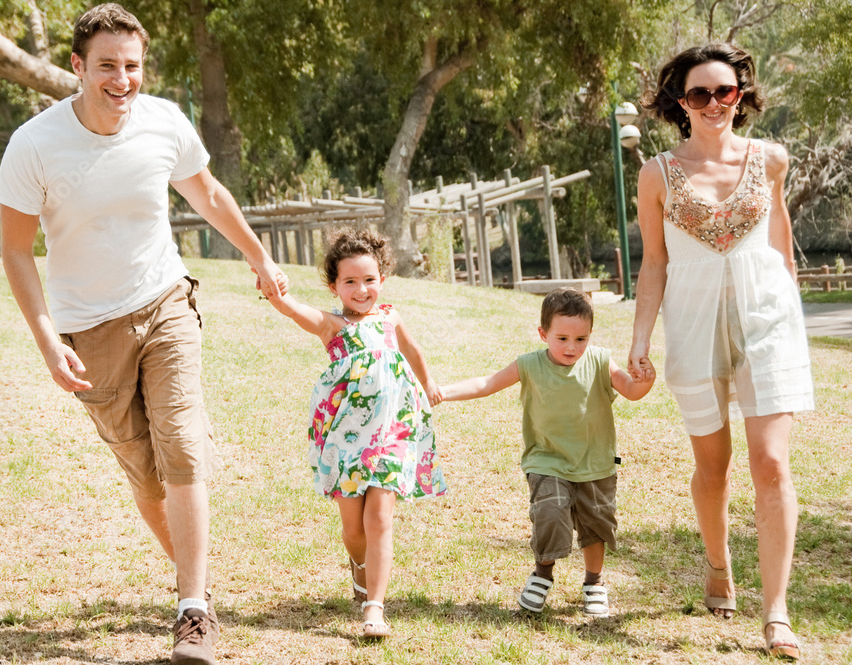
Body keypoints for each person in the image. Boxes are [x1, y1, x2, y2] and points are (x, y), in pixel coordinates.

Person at [0, 4, 287, 663]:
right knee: (147, 476)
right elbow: (16, 251)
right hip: (88, 330)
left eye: (132, 66)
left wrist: (259, 257)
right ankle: (202, 587)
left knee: (181, 443)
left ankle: (191, 611)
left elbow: (207, 192)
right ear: (77, 67)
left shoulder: (162, 123)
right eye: (107, 67)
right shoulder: (35, 145)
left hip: (164, 301)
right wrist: (47, 341)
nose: (122, 80)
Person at [628, 42, 813, 660]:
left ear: (741, 96)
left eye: (725, 91)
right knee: (715, 466)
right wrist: (639, 340)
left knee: (771, 464)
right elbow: (653, 263)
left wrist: (794, 319)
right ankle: (717, 565)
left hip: (767, 323)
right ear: (681, 102)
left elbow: (780, 245)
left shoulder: (772, 160)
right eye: (699, 93)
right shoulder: (657, 173)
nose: (714, 102)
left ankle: (777, 612)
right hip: (692, 326)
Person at [263, 227, 447, 639]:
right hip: (346, 437)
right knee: (354, 528)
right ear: (334, 287)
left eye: (369, 279)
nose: (362, 289)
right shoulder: (332, 325)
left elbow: (413, 351)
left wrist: (428, 382)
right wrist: (274, 292)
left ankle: (374, 609)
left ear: (382, 278)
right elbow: (294, 311)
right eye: (350, 281)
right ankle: (359, 565)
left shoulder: (390, 317)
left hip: (391, 430)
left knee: (380, 517)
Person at [440, 288, 654, 618]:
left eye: (581, 339)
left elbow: (631, 390)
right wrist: (442, 392)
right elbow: (487, 384)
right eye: (562, 338)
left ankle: (594, 582)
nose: (572, 347)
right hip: (547, 460)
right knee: (549, 513)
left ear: (590, 335)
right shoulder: (529, 365)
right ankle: (543, 573)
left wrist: (645, 381)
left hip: (595, 463)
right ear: (543, 333)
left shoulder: (598, 360)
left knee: (595, 524)